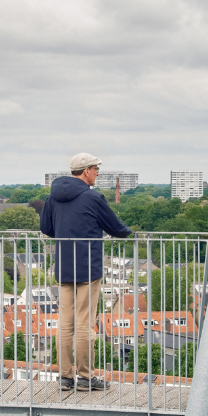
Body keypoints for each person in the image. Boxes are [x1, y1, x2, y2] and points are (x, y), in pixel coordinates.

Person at [39, 152, 132, 391]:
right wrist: (130, 233)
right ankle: (86, 377)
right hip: (88, 268)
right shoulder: (93, 198)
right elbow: (115, 228)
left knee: (65, 323)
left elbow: (46, 228)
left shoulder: (53, 198)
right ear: (85, 172)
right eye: (95, 169)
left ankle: (65, 377)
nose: (97, 174)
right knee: (84, 323)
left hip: (63, 267)